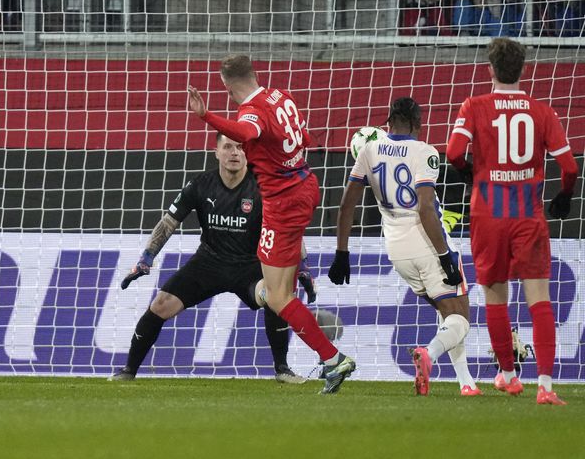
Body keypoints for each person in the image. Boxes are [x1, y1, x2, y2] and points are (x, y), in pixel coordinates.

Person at [187, 54, 356, 394]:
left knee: (277, 297)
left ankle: (332, 359)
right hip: (306, 184)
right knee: (281, 290)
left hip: (283, 201)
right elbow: (304, 136)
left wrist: (206, 116)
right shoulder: (281, 96)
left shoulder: (250, 110)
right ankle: (322, 348)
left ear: (227, 84)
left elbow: (245, 131)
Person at [111, 134, 314, 383]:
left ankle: (282, 369)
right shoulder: (200, 184)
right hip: (208, 264)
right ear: (216, 152)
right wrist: (147, 257)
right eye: (227, 147)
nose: (234, 153)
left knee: (276, 296)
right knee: (160, 305)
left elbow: (288, 227)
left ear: (248, 152)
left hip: (250, 266)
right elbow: (168, 223)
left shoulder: (264, 187)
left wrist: (302, 266)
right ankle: (128, 371)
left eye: (240, 147)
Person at [446, 37, 579, 405]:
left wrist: (468, 171)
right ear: (523, 70)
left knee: (494, 297)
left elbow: (454, 152)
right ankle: (547, 387)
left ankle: (508, 374)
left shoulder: (474, 105)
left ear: (490, 70)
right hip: (527, 214)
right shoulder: (542, 111)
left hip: (488, 213)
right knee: (540, 299)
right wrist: (565, 196)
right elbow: (569, 167)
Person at [330, 97, 479, 397]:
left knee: (447, 311)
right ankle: (429, 355)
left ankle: (467, 384)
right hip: (427, 243)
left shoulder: (369, 151)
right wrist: (445, 256)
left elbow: (347, 204)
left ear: (388, 123)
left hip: (396, 250)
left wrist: (342, 252)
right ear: (417, 124)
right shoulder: (424, 152)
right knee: (460, 317)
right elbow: (425, 209)